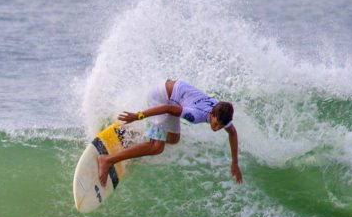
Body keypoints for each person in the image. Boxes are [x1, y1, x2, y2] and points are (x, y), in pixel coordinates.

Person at [97, 79, 243, 186]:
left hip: (174, 98)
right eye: (215, 123)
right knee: (157, 147)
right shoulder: (195, 115)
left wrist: (235, 162)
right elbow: (166, 108)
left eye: (220, 126)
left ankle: (135, 138)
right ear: (212, 114)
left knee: (173, 139)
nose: (216, 128)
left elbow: (232, 133)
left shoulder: (224, 114)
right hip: (160, 97)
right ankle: (107, 160)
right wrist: (137, 116)